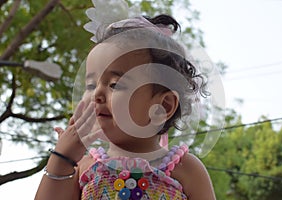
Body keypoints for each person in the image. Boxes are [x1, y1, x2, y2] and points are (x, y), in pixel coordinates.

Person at [35, 11, 216, 200]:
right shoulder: (84, 168)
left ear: (163, 106)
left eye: (114, 84)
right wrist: (61, 159)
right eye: (90, 85)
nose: (97, 94)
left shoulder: (186, 169)